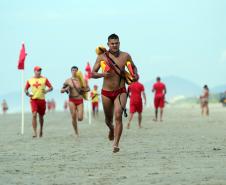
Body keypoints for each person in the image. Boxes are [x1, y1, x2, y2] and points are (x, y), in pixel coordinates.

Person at [91, 33, 138, 153]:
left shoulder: (126, 55)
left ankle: (116, 144)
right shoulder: (102, 57)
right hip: (106, 92)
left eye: (116, 43)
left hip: (121, 91)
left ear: (119, 43)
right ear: (108, 44)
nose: (114, 45)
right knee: (108, 119)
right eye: (112, 43)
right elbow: (92, 73)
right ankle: (111, 129)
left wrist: (135, 75)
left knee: (118, 115)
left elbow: (133, 67)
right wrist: (102, 74)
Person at [24, 66, 53, 138]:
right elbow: (25, 89)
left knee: (41, 117)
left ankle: (41, 130)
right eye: (37, 70)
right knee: (34, 115)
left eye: (40, 71)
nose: (39, 72)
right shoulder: (30, 80)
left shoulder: (44, 79)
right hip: (33, 100)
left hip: (42, 100)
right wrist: (27, 93)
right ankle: (35, 132)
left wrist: (46, 91)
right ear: (34, 71)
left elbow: (51, 87)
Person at [61, 66, 89, 137]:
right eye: (73, 70)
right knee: (73, 116)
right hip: (71, 100)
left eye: (75, 70)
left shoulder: (81, 80)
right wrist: (64, 90)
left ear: (77, 72)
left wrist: (82, 90)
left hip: (79, 100)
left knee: (80, 118)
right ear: (71, 71)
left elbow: (88, 89)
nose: (74, 72)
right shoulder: (68, 80)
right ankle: (76, 132)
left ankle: (77, 115)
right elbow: (62, 90)